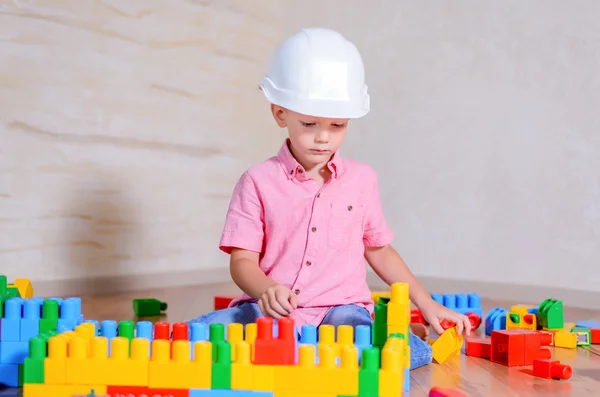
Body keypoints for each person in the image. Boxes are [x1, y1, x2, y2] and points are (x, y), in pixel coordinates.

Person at [188, 27, 471, 369]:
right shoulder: (257, 181)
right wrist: (266, 289)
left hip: (343, 310)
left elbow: (378, 249)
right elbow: (242, 260)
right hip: (275, 311)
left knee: (379, 352)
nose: (323, 138)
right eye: (309, 124)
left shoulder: (362, 180)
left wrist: (427, 305)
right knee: (200, 339)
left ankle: (387, 338)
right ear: (280, 113)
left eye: (337, 126)